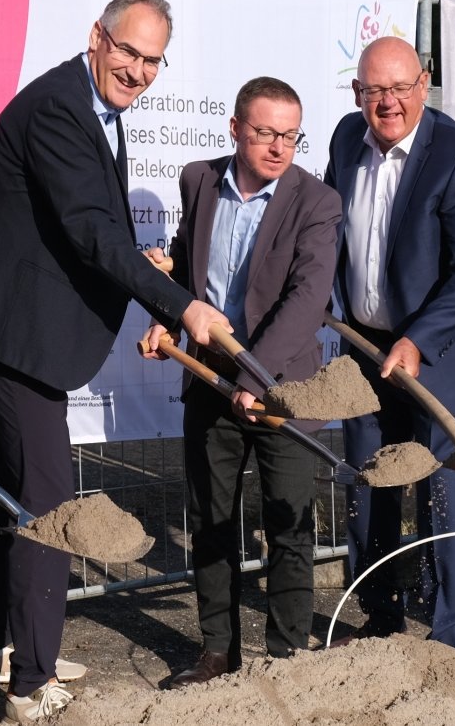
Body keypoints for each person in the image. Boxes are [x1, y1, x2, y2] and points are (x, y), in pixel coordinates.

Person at [0, 0, 229, 723]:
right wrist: (180, 305)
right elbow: (89, 231)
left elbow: (80, 225)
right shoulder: (58, 107)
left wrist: (143, 271)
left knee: (14, 494)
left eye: (153, 60)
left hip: (24, 338)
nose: (138, 70)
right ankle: (31, 681)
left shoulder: (94, 107)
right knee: (49, 504)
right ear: (97, 37)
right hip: (16, 343)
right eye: (128, 51)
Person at [137, 77, 341, 687]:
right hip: (210, 383)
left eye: (290, 136)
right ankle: (216, 654)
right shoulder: (199, 180)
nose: (279, 147)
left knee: (288, 525)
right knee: (211, 519)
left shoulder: (317, 201)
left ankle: (286, 659)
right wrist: (166, 316)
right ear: (235, 128)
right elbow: (187, 266)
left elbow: (307, 299)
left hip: (283, 388)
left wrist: (257, 374)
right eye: (265, 133)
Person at [325, 37, 455, 651]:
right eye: (373, 91)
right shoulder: (344, 140)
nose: (388, 103)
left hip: (442, 353)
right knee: (370, 480)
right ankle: (379, 619)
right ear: (357, 93)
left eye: (400, 88)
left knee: (443, 489)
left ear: (424, 85)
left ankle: (450, 635)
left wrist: (418, 338)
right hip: (365, 349)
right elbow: (331, 235)